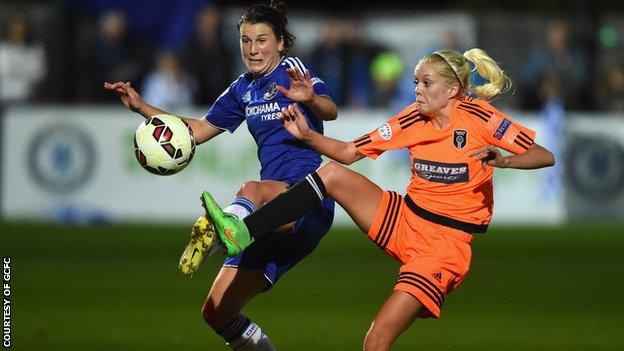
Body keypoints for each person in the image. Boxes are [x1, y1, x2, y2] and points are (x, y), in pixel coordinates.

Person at [199, 48, 555, 350]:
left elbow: (544, 155)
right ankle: (243, 231)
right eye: (416, 81)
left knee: (376, 342)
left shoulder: (481, 117)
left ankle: (243, 230)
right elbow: (348, 152)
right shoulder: (414, 117)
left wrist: (504, 160)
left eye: (426, 83)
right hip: (405, 219)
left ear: (453, 89)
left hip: (444, 247)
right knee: (333, 175)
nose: (416, 90)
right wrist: (307, 135)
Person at [104, 1, 338, 350]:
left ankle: (221, 228)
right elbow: (195, 131)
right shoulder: (242, 89)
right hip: (267, 216)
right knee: (216, 312)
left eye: (261, 40)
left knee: (251, 189)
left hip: (307, 197)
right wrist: (143, 109)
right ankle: (230, 227)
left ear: (280, 44)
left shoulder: (291, 70)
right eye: (245, 40)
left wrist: (311, 99)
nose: (253, 49)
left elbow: (330, 111)